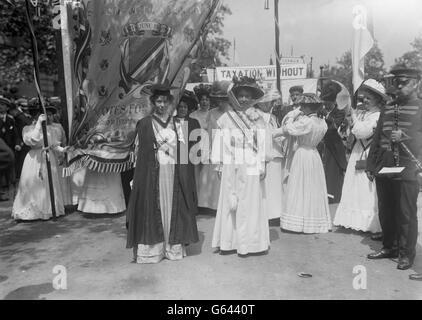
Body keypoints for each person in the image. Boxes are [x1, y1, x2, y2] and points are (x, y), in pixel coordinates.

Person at [126, 82, 199, 263]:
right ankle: (154, 250)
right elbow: (139, 153)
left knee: (174, 205)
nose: (161, 105)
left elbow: (183, 153)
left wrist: (186, 176)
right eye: (158, 101)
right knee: (152, 206)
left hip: (173, 172)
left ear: (169, 103)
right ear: (153, 102)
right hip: (153, 173)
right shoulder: (144, 124)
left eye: (165, 101)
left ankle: (172, 247)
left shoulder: (177, 124)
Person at [366, 66, 422, 270]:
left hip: (408, 168)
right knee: (386, 210)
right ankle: (390, 246)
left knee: (406, 213)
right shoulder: (388, 108)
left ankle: (406, 254)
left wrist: (407, 138)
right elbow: (378, 138)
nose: (399, 86)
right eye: (396, 82)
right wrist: (371, 165)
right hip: (385, 166)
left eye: (404, 82)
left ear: (416, 83)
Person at [211, 76, 270, 256]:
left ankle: (251, 243)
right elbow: (220, 142)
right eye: (241, 95)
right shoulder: (226, 118)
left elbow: (263, 143)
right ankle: (229, 242)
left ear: (253, 98)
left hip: (251, 161)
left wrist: (262, 164)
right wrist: (219, 165)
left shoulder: (258, 118)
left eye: (247, 96)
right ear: (235, 97)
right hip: (231, 161)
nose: (244, 99)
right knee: (231, 199)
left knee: (251, 200)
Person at [334, 79, 387, 233]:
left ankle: (369, 223)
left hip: (370, 152)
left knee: (367, 189)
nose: (365, 101)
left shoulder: (378, 116)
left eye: (369, 98)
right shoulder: (362, 113)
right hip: (358, 151)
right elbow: (347, 134)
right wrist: (347, 123)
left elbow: (362, 132)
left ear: (378, 100)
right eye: (364, 98)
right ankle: (353, 220)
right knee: (354, 186)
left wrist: (354, 119)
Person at [273, 93, 331, 233]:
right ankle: (314, 220)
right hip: (314, 154)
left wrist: (290, 118)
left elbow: (288, 130)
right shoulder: (322, 121)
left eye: (302, 106)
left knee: (299, 184)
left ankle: (297, 221)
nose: (300, 109)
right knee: (313, 186)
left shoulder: (306, 121)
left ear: (307, 107)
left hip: (303, 154)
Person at [12, 105, 67, 220]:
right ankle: (32, 211)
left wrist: (63, 150)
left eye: (50, 115)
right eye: (44, 115)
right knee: (34, 182)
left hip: (48, 157)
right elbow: (33, 140)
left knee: (48, 183)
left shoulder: (51, 129)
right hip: (34, 158)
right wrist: (38, 124)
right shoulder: (28, 129)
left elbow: (53, 145)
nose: (48, 118)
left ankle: (49, 209)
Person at [194, 82, 229, 213]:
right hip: (214, 146)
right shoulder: (211, 113)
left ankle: (223, 204)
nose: (220, 102)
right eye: (218, 100)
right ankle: (209, 204)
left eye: (223, 100)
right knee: (211, 176)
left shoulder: (232, 113)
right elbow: (207, 132)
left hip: (228, 148)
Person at [256, 88, 284, 222]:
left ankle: (276, 213)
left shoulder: (273, 117)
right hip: (266, 153)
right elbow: (263, 136)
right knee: (267, 186)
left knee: (275, 186)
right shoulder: (257, 116)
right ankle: (266, 214)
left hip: (277, 152)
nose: (271, 104)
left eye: (272, 102)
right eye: (267, 102)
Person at [318, 80, 347, 204]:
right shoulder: (319, 112)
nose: (326, 104)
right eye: (324, 102)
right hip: (321, 148)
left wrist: (326, 116)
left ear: (334, 101)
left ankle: (334, 201)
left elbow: (334, 128)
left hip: (334, 150)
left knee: (333, 176)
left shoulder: (340, 112)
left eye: (328, 102)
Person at [0, 96, 22, 201]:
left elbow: (16, 134)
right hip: (1, 150)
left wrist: (18, 144)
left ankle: (10, 192)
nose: (0, 107)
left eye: (3, 105)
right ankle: (2, 192)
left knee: (10, 172)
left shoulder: (10, 120)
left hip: (10, 148)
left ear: (7, 108)